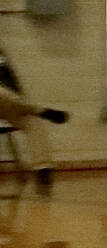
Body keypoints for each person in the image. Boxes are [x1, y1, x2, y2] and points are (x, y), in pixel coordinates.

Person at [0, 45, 67, 190]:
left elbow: (11, 82)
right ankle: (41, 110)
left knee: (32, 121)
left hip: (7, 105)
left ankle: (43, 167)